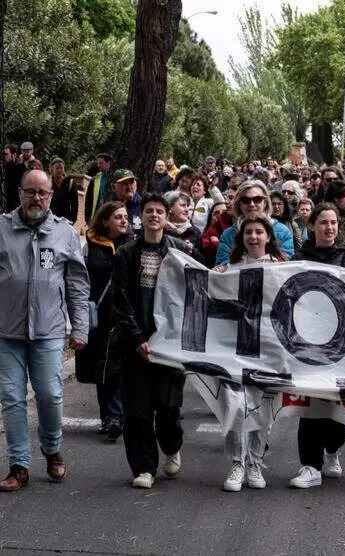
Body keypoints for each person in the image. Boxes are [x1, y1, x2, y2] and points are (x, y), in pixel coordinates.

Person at [0, 170, 90, 492]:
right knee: (11, 398)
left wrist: (80, 328)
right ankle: (19, 465)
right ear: (19, 193)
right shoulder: (2, 229)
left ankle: (51, 448)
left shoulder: (64, 234)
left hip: (49, 332)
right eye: (30, 191)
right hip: (6, 333)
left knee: (50, 395)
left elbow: (78, 285)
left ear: (51, 195)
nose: (36, 197)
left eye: (42, 192)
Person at [110, 193, 193, 489]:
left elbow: (194, 294)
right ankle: (144, 467)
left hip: (169, 347)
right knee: (137, 411)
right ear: (141, 217)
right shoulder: (125, 255)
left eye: (159, 211)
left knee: (168, 408)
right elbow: (119, 301)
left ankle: (171, 446)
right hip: (136, 346)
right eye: (148, 211)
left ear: (166, 217)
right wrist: (137, 338)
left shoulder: (181, 251)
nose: (154, 216)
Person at [290, 204, 345, 489]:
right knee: (310, 406)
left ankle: (333, 449)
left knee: (336, 405)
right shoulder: (299, 259)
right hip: (307, 346)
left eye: (334, 223)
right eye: (323, 223)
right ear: (312, 226)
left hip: (343, 347)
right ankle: (310, 466)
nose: (330, 228)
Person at [213, 216, 289, 491]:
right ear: (241, 237)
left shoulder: (285, 269)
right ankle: (237, 463)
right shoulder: (229, 268)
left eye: (259, 232)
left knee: (264, 408)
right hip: (236, 347)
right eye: (249, 232)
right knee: (237, 404)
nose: (254, 237)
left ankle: (256, 462)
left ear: (269, 236)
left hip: (271, 348)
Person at [76, 202, 131, 441]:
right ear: (105, 220)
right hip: (97, 315)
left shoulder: (131, 246)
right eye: (117, 217)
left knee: (117, 367)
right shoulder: (91, 245)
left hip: (122, 315)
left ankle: (116, 417)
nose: (123, 221)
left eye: (125, 217)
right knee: (102, 367)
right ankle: (106, 417)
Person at [215, 181, 295, 265]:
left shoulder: (283, 231)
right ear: (239, 204)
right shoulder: (228, 235)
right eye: (246, 200)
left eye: (257, 199)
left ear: (265, 202)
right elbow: (222, 265)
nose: (252, 204)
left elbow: (286, 265)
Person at [163, 191, 203, 262]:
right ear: (170, 207)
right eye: (183, 205)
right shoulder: (160, 229)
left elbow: (201, 260)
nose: (187, 210)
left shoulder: (194, 232)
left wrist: (190, 248)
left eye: (187, 206)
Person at [200, 201, 232, 268]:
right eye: (216, 213)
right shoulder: (202, 239)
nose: (220, 215)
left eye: (224, 212)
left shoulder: (235, 233)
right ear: (210, 218)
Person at [83, 153, 114, 222]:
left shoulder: (114, 178)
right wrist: (87, 218)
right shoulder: (95, 179)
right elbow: (88, 200)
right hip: (97, 215)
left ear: (108, 163)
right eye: (98, 163)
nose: (98, 165)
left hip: (111, 215)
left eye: (101, 163)